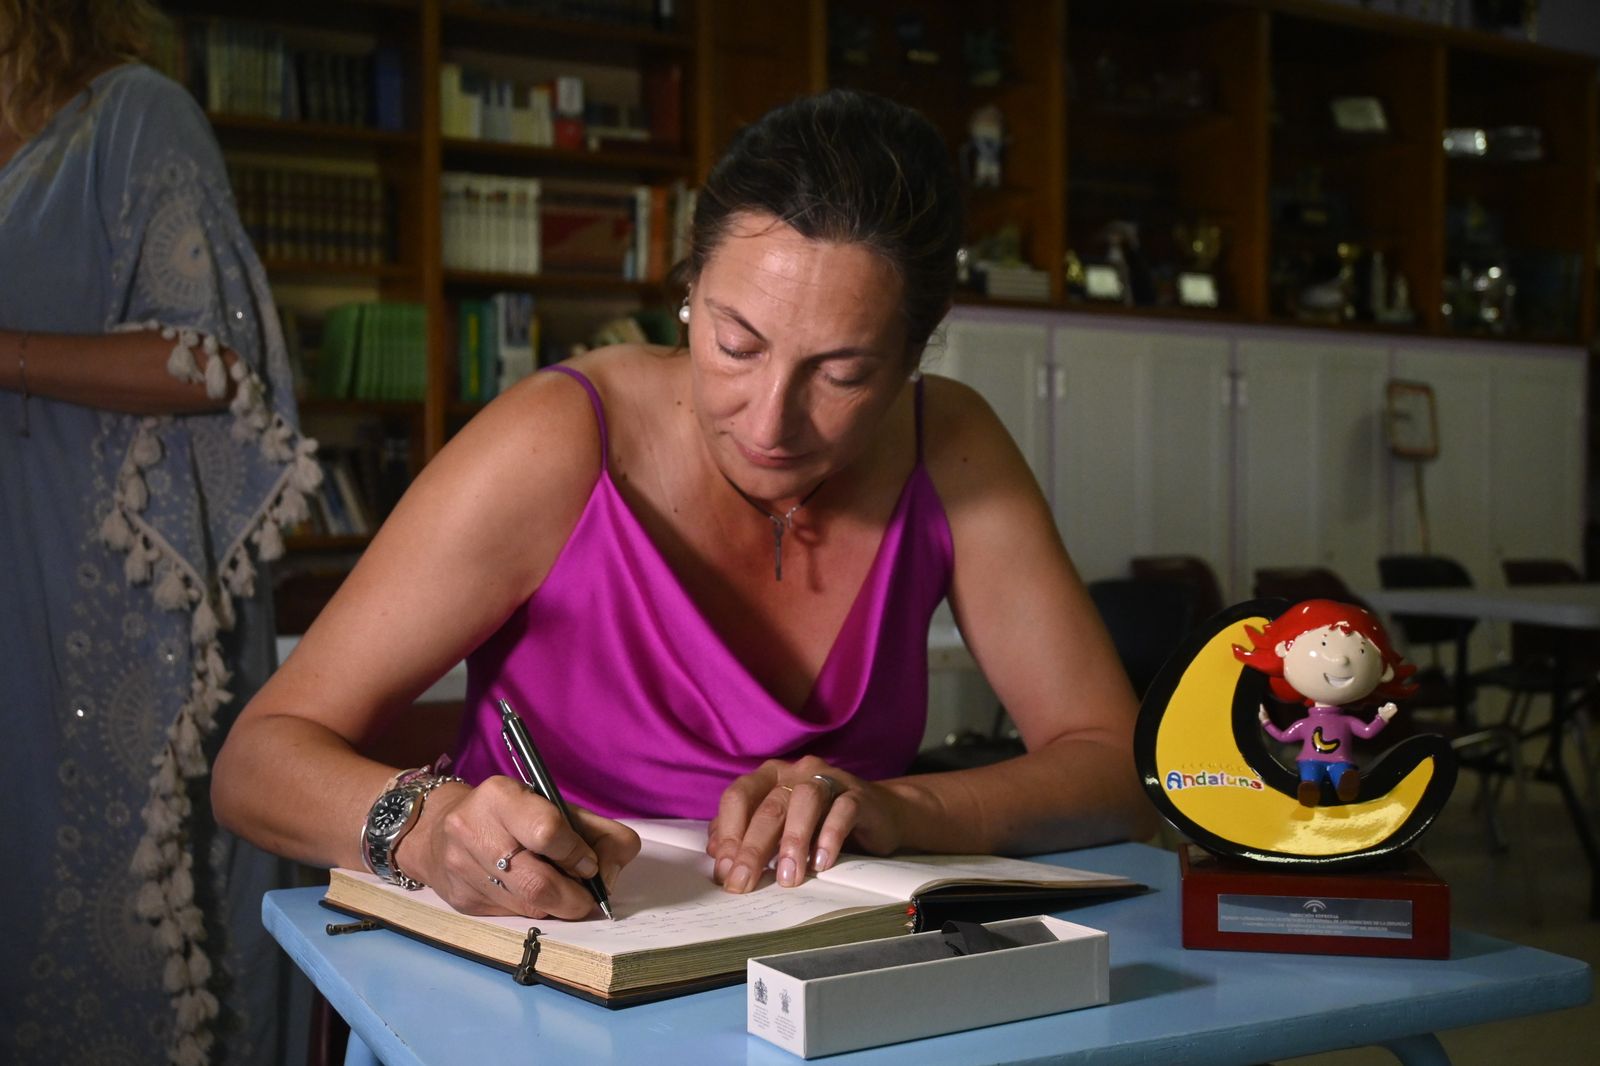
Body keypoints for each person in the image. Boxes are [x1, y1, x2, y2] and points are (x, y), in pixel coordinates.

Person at [212, 88, 1156, 926]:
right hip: (551, 974)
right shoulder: (555, 442)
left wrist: (908, 808)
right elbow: (254, 764)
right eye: (735, 342)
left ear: (914, 359)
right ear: (688, 293)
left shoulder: (950, 443)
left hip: (831, 993)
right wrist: (426, 829)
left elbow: (1121, 768)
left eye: (842, 373)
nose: (770, 419)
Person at [0, 3, 319, 1064]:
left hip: (111, 595)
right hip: (11, 575)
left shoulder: (132, 117)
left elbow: (218, 361)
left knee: (136, 906)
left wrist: (6, 353)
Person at [1234, 599, 1417, 806]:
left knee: (1343, 773)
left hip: (1340, 760)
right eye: (1324, 644)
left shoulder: (1343, 722)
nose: (1341, 661)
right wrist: (1266, 721)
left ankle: (1343, 785)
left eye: (1361, 652)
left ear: (1384, 672)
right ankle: (1310, 787)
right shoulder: (1312, 724)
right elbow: (1284, 736)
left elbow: (1366, 732)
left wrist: (1382, 718)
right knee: (1311, 775)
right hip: (1311, 761)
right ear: (1284, 649)